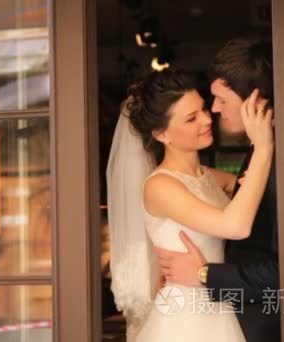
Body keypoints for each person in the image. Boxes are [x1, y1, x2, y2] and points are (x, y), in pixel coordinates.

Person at [107, 67, 273, 341]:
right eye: (191, 118)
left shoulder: (210, 177)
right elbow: (236, 226)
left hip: (218, 299)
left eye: (204, 109)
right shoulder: (160, 186)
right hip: (185, 314)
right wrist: (263, 147)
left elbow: (248, 190)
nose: (207, 119)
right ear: (162, 135)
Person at [154, 37, 281, 342]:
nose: (214, 110)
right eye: (192, 116)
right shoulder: (259, 150)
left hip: (258, 323)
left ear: (255, 99)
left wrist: (203, 275)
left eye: (221, 99)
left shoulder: (274, 156)